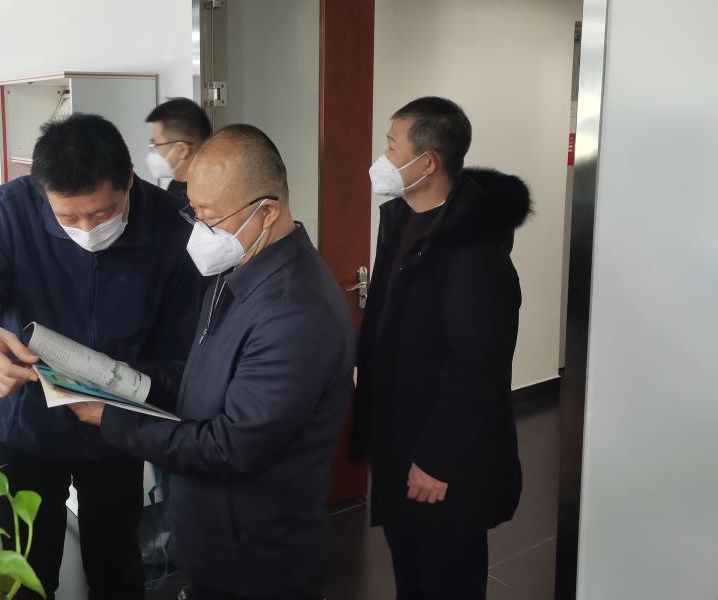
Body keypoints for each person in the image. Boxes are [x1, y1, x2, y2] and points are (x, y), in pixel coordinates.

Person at [70, 124, 354, 600]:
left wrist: (111, 418)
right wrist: (121, 378)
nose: (199, 231)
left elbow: (230, 446)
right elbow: (205, 374)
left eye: (211, 217)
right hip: (214, 538)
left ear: (267, 212)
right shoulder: (240, 268)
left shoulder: (296, 312)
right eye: (194, 212)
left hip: (257, 559)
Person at [0, 113, 200, 600]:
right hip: (28, 424)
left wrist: (134, 393)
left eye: (102, 213)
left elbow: (186, 347)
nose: (87, 229)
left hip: (117, 428)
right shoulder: (11, 211)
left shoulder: (171, 226)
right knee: (26, 571)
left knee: (117, 568)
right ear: (43, 193)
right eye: (68, 218)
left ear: (129, 180)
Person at [351, 97, 530, 600]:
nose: (382, 159)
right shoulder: (403, 218)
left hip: (444, 455)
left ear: (427, 162)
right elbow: (392, 311)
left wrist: (437, 459)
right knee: (410, 569)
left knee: (448, 577)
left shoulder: (475, 251)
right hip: (400, 433)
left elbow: (477, 368)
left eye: (391, 147)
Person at [145, 97, 213, 203]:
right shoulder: (175, 186)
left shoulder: (211, 196)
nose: (153, 151)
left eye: (156, 145)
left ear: (182, 150)